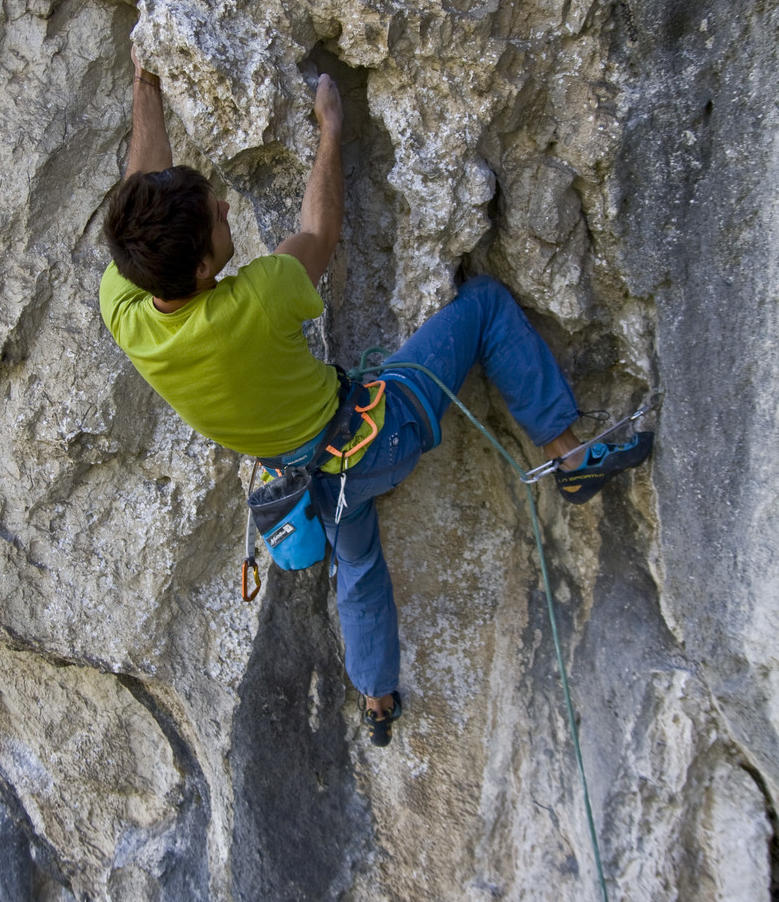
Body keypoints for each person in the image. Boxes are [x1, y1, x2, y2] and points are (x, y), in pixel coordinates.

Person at [99, 47, 653, 746]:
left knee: (358, 566)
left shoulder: (127, 311)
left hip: (307, 483)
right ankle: (568, 457)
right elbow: (319, 233)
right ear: (206, 264)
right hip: (374, 439)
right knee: (484, 304)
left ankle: (377, 696)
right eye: (217, 215)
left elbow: (141, 185)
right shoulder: (259, 297)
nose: (225, 205)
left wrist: (145, 79)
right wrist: (331, 129)